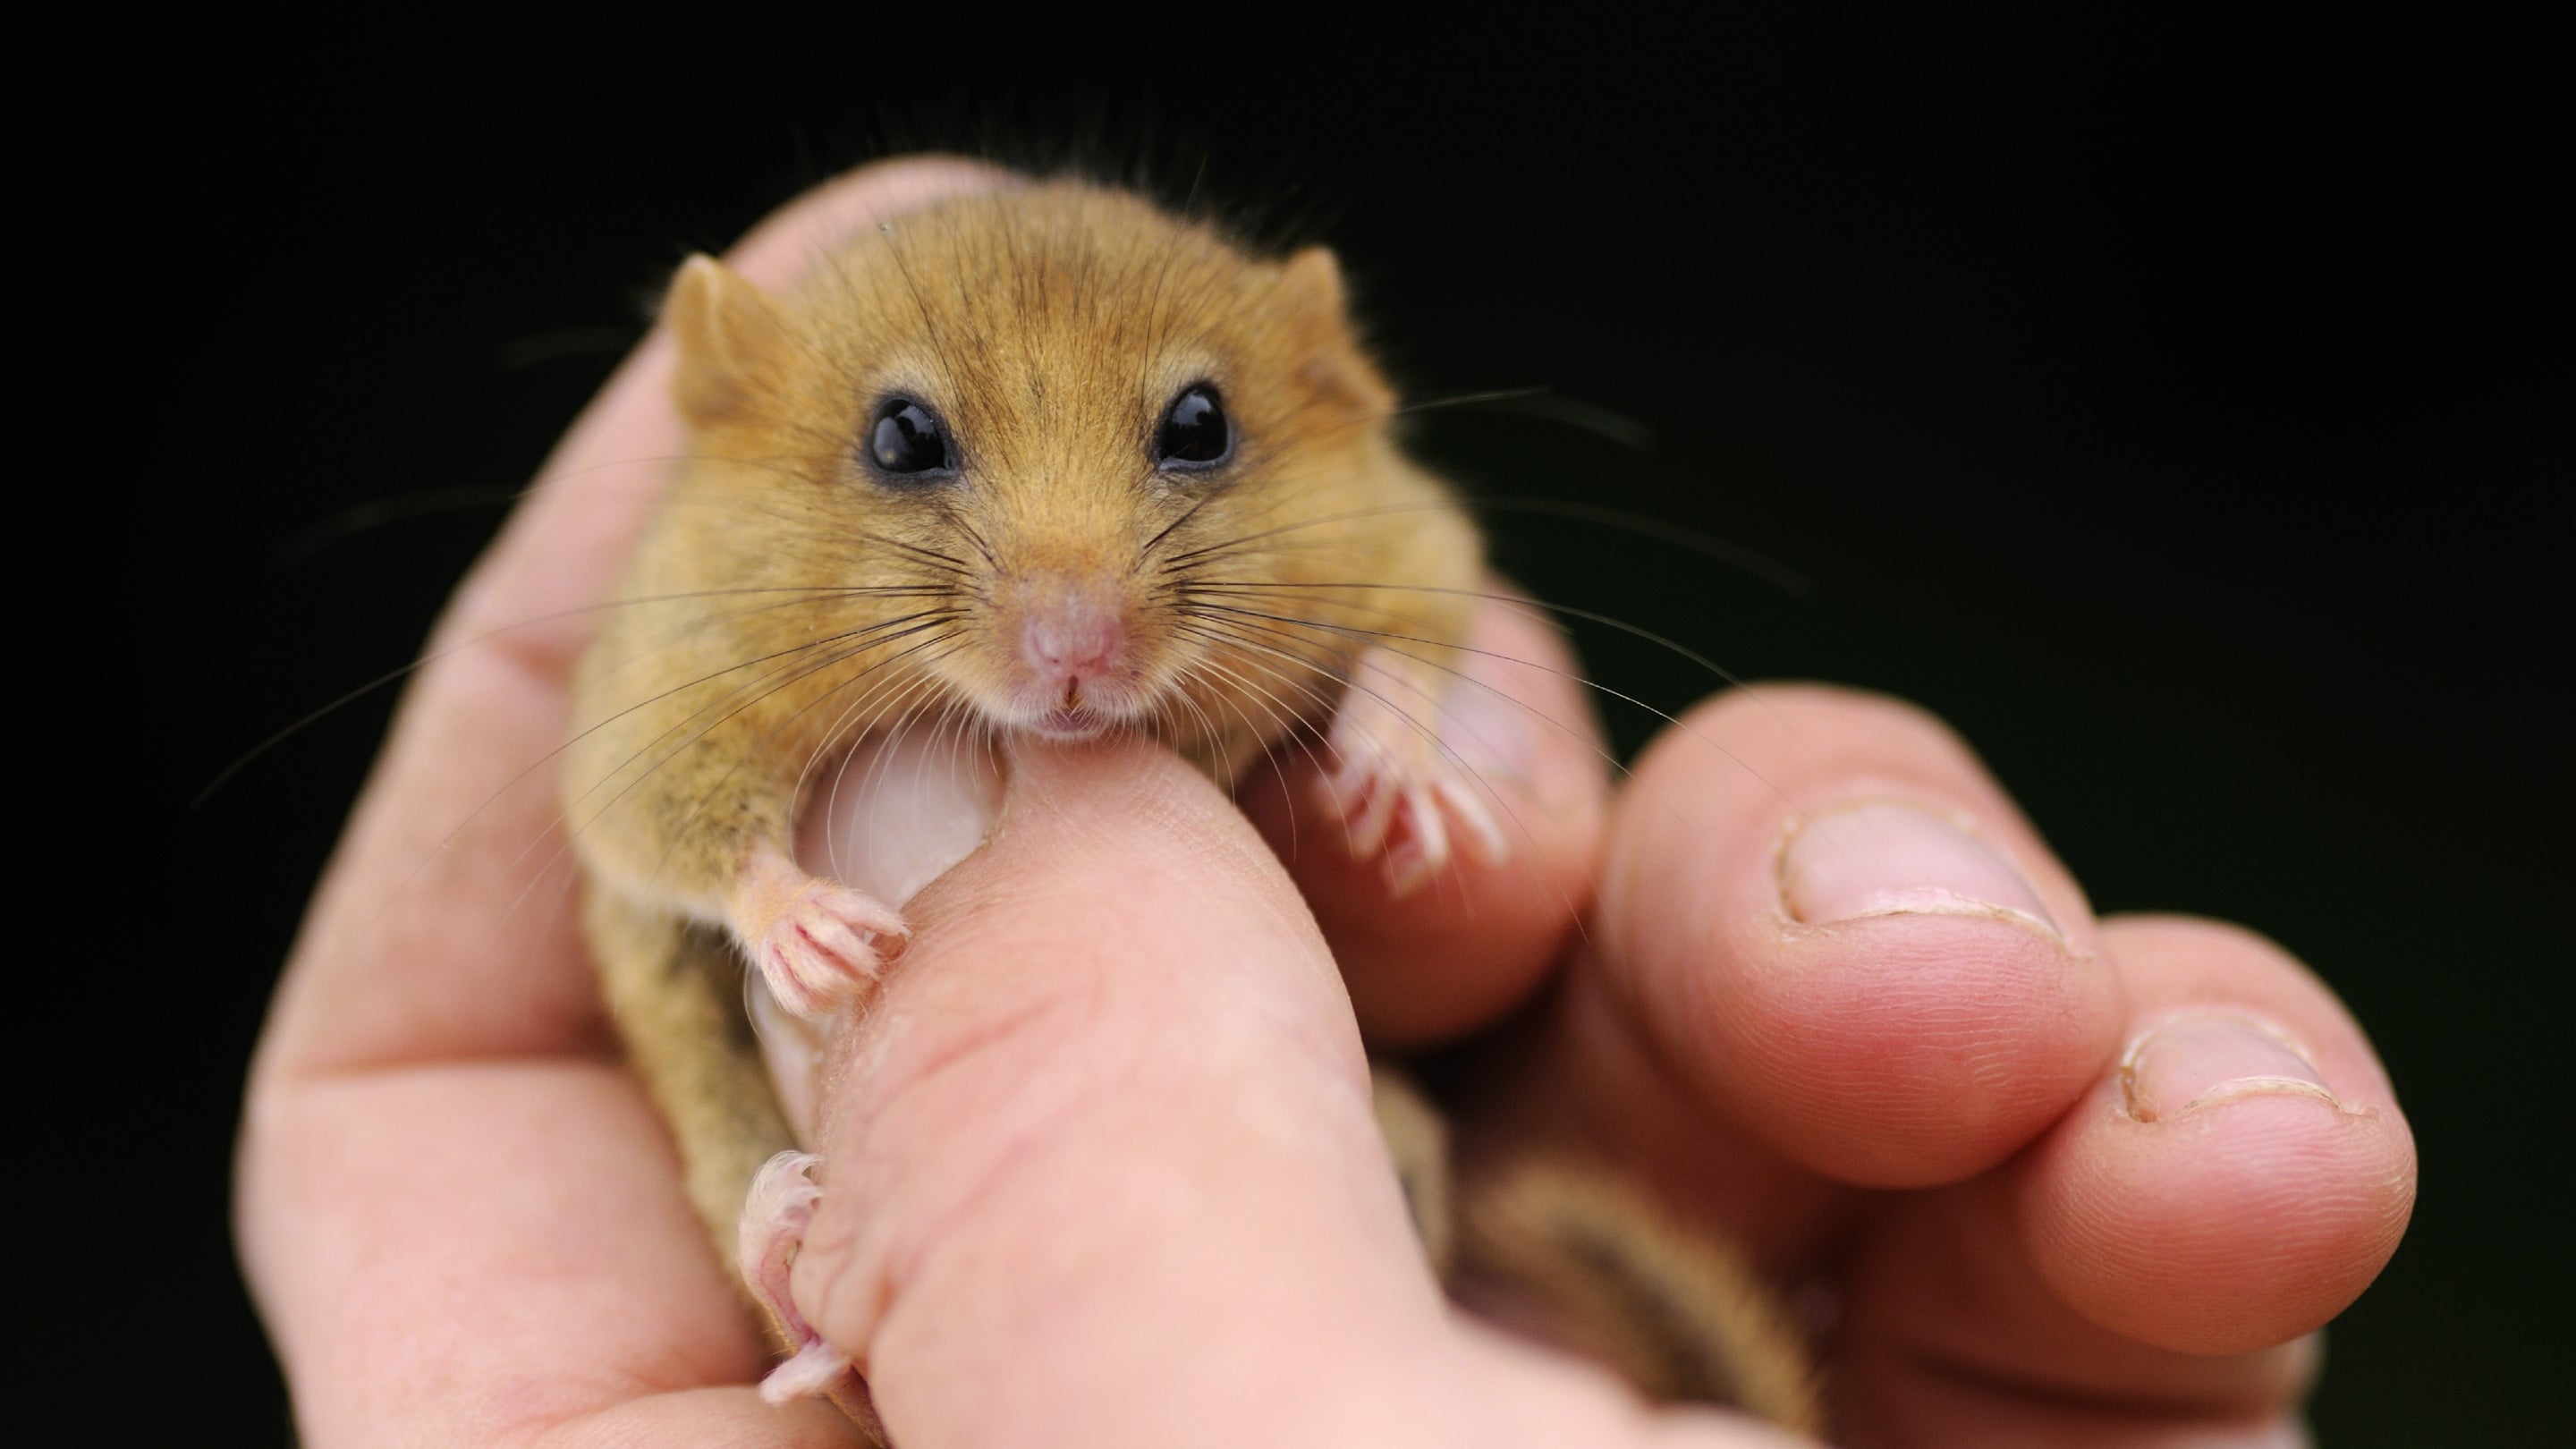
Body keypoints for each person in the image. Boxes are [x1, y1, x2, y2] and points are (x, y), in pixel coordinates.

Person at [235, 158, 2415, 1447]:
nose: (1080, 595)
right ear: (745, 424)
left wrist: (1388, 693)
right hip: (756, 1124)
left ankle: (1434, 1271)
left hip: (1389, 1196)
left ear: (1305, 386)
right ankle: (796, 1248)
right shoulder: (720, 601)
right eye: (916, 453)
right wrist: (764, 872)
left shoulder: (1320, 527)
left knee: (1399, 1072)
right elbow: (631, 805)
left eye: (1188, 438)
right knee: (738, 1099)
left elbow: (1426, 565)